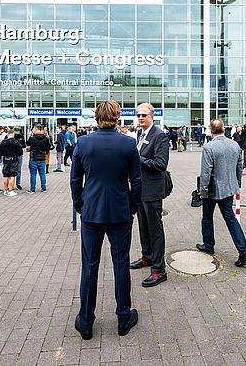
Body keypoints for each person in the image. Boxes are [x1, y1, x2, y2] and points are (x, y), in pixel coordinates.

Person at [71, 101, 141, 340]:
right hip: (119, 213)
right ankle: (123, 318)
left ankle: (86, 321)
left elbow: (75, 180)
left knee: (89, 266)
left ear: (96, 117)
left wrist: (81, 205)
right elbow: (137, 182)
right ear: (118, 117)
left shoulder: (83, 142)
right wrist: (131, 208)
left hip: (91, 213)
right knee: (121, 264)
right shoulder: (129, 144)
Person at [196, 119, 246, 267]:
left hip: (212, 190)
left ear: (211, 130)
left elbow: (206, 172)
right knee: (231, 219)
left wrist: (203, 191)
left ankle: (208, 245)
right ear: (223, 129)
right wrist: (237, 183)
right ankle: (243, 250)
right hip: (229, 188)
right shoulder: (235, 145)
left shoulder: (209, 147)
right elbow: (240, 167)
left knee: (207, 217)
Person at [130, 103, 170, 288]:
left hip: (153, 191)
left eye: (144, 115)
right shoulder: (140, 134)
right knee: (143, 227)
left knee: (155, 230)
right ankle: (147, 257)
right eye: (138, 115)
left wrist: (137, 158)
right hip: (140, 190)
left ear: (152, 117)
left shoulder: (159, 135)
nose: (140, 118)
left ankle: (159, 269)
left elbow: (160, 164)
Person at [26, 124, 50, 193]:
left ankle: (32, 189)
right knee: (42, 173)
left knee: (33, 174)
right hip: (42, 158)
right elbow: (48, 149)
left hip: (34, 158)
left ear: (35, 130)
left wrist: (31, 134)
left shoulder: (32, 138)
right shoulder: (46, 138)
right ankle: (44, 188)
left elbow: (27, 143)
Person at [0, 128, 22, 196]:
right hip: (13, 160)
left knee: (5, 175)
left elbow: (0, 152)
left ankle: (5, 190)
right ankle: (10, 190)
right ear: (13, 134)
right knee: (12, 175)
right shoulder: (15, 142)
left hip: (6, 160)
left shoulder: (3, 142)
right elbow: (20, 152)